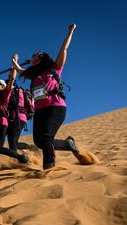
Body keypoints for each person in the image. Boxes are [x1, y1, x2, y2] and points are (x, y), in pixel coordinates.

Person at [12, 24, 79, 170]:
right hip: (40, 110)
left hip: (55, 107)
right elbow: (20, 70)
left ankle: (48, 169)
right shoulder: (34, 75)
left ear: (41, 57)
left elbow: (64, 50)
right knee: (39, 142)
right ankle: (68, 144)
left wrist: (70, 31)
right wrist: (14, 61)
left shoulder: (54, 69)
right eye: (32, 57)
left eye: (35, 55)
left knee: (47, 138)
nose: (32, 57)